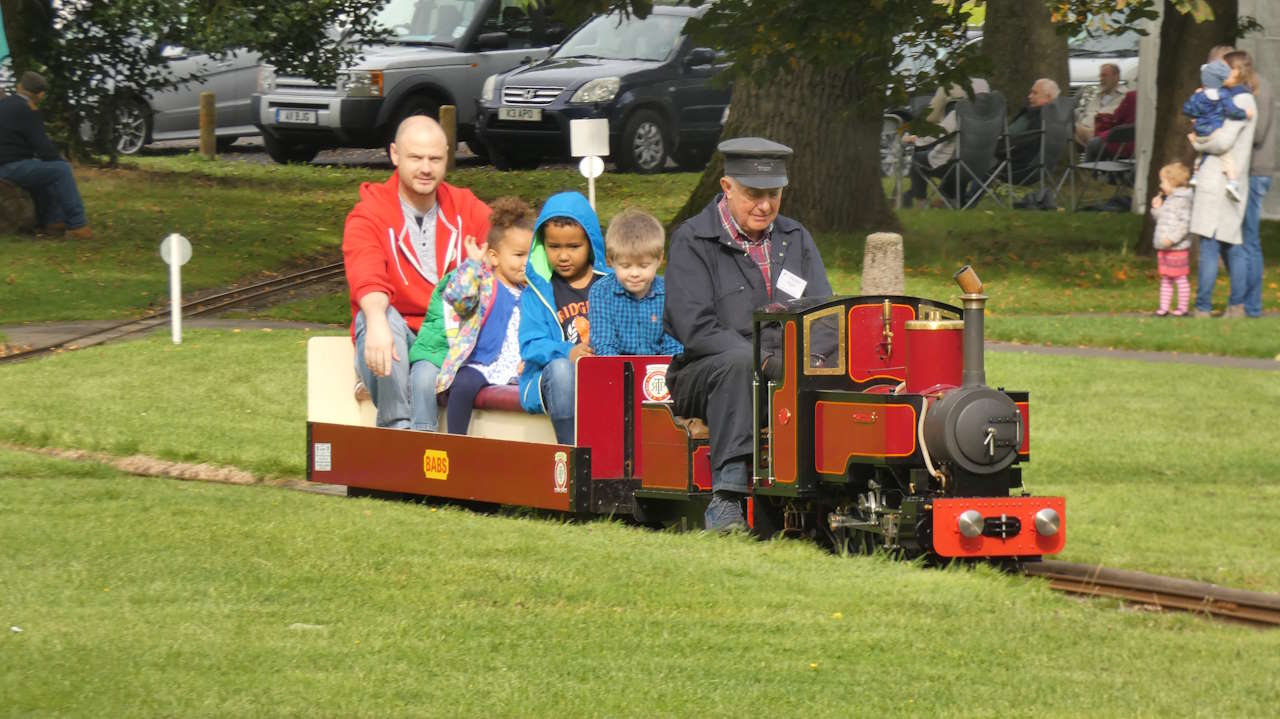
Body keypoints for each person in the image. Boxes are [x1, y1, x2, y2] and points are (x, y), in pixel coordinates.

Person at [664, 137, 833, 530]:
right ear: (727, 187)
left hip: (783, 367)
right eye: (754, 195)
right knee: (740, 364)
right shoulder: (692, 240)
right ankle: (726, 497)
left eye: (773, 195)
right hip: (704, 373)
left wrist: (811, 360)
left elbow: (825, 315)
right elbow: (695, 328)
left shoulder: (797, 239)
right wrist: (764, 360)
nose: (765, 206)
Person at [343, 115, 490, 429]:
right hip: (394, 335)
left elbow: (508, 245)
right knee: (380, 321)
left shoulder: (465, 207)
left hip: (447, 338)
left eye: (435, 159)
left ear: (447, 157)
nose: (426, 168)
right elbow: (366, 275)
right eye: (416, 158)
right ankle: (399, 428)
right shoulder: (368, 214)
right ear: (395, 154)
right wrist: (377, 319)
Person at [427, 196, 534, 435]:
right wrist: (472, 266)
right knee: (463, 384)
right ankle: (457, 443)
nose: (526, 263)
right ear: (494, 257)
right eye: (518, 255)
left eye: (530, 255)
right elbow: (459, 298)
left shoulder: (532, 292)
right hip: (483, 361)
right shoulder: (485, 284)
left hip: (519, 365)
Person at [518, 191, 609, 445]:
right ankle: (571, 451)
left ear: (590, 243)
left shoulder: (611, 283)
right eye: (554, 246)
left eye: (573, 246)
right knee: (561, 370)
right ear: (542, 245)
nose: (563, 256)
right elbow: (531, 344)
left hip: (604, 373)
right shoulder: (537, 292)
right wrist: (567, 353)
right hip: (556, 380)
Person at [1189, 52, 1257, 319]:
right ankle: (1236, 306)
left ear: (1237, 71)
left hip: (1219, 178)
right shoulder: (1241, 97)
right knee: (1231, 243)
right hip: (1232, 179)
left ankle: (1203, 307)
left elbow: (1222, 141)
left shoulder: (1238, 99)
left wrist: (1196, 139)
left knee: (1211, 244)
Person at [0, 71, 92, 238]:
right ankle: (78, 225)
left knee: (45, 169)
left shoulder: (5, 104)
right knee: (61, 170)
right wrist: (60, 161)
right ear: (41, 94)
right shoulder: (28, 109)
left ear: (19, 86)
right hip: (10, 167)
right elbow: (43, 147)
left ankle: (53, 221)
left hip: (6, 165)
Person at [587, 208, 684, 357]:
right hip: (616, 370)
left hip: (658, 372)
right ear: (611, 260)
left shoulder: (670, 291)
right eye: (625, 266)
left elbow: (674, 345)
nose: (634, 273)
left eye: (644, 266)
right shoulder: (601, 292)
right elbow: (604, 346)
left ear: (659, 259)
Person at [901, 79, 991, 208]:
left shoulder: (960, 112)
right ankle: (953, 200)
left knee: (917, 158)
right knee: (954, 160)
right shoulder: (992, 117)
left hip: (952, 165)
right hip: (980, 166)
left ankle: (921, 202)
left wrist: (913, 139)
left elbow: (936, 135)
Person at [1183, 60, 1252, 202]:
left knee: (1201, 154)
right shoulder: (1223, 95)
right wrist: (1246, 114)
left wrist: (1194, 118)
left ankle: (1195, 174)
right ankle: (1233, 182)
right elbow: (1233, 111)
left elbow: (1188, 109)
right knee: (1227, 157)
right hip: (1214, 132)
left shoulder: (1198, 96)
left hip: (1200, 133)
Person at [1238, 50, 1273, 318]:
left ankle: (1251, 306)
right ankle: (1248, 303)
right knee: (1247, 239)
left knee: (1249, 240)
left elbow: (1258, 133)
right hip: (1256, 169)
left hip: (1254, 169)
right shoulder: (1260, 87)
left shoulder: (1258, 91)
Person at [1149, 162, 1194, 317]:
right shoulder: (1170, 199)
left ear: (1173, 182)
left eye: (1163, 182)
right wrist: (1157, 209)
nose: (1161, 185)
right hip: (1164, 247)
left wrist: (1172, 239)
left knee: (1180, 278)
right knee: (1166, 278)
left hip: (1176, 248)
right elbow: (1164, 220)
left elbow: (1185, 224)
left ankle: (1183, 308)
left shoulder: (1182, 201)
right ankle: (1164, 307)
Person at [1006, 78, 1061, 179]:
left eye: (1034, 93)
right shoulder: (1059, 119)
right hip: (1043, 169)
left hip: (1016, 167)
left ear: (1048, 97)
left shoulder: (1031, 115)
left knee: (984, 158)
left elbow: (1007, 136)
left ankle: (971, 195)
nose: (1029, 96)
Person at [1074, 63, 1125, 147]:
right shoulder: (1097, 95)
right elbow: (1084, 113)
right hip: (1083, 130)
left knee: (1065, 126)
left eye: (1104, 76)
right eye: (1100, 76)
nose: (1101, 79)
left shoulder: (1125, 96)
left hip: (1101, 134)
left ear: (1116, 77)